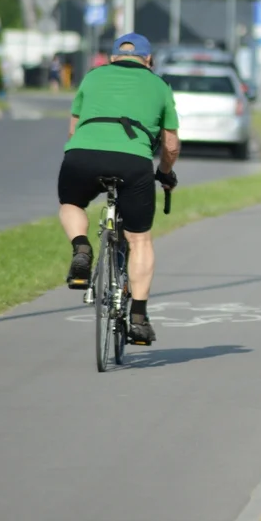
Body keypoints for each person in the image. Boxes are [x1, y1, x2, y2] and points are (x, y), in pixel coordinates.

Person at [57, 33, 180, 346]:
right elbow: (170, 143)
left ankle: (82, 248)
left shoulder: (92, 77)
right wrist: (164, 173)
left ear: (112, 58)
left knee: (71, 203)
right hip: (133, 162)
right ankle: (138, 317)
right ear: (148, 60)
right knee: (139, 239)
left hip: (82, 155)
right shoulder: (159, 85)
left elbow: (73, 128)